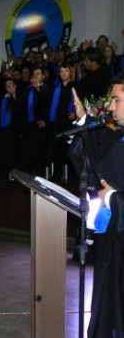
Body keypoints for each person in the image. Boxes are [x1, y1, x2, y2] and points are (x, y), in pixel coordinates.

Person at [70, 71, 124, 338]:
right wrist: (83, 119)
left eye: (116, 100)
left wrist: (111, 198)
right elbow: (98, 150)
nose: (111, 107)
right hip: (111, 243)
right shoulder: (120, 137)